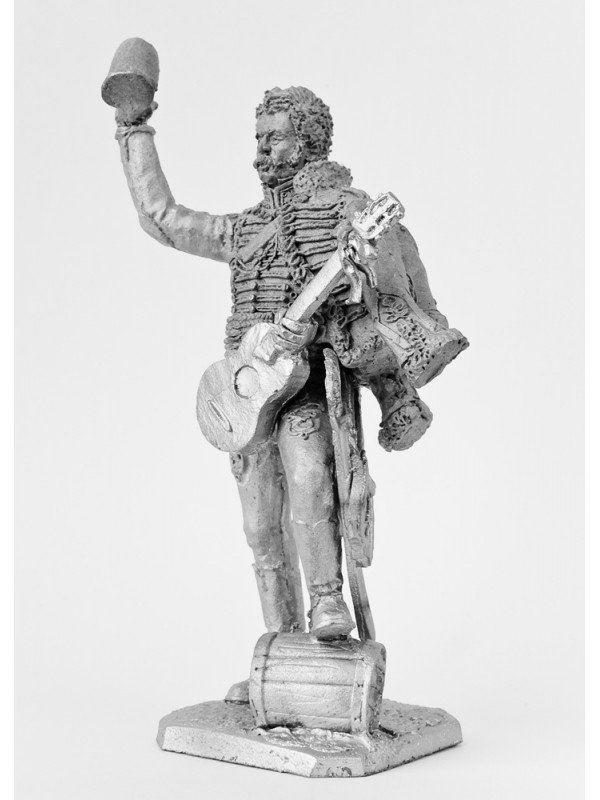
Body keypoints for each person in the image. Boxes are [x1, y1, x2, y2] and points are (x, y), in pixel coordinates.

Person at [113, 85, 447, 702]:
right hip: (244, 390)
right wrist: (133, 128)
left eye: (275, 137)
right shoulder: (242, 229)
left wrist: (334, 314)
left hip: (306, 383)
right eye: (258, 138)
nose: (262, 150)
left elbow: (384, 293)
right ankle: (280, 653)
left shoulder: (345, 213)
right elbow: (163, 218)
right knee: (260, 526)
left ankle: (327, 601)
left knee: (312, 482)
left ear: (309, 141)